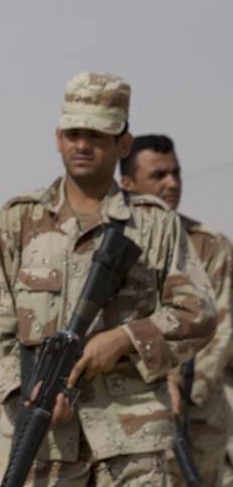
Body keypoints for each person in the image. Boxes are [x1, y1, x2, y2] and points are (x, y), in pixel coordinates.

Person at [0, 72, 216, 486]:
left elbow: (199, 312)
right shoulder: (18, 220)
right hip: (45, 441)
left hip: (131, 441)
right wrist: (26, 393)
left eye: (96, 135)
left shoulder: (153, 223)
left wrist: (125, 340)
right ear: (57, 137)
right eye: (73, 133)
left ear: (123, 143)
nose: (81, 145)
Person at [120, 134, 233, 487]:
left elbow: (224, 328)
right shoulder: (112, 245)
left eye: (176, 173)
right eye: (158, 175)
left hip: (198, 424)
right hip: (130, 422)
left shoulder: (207, 243)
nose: (172, 183)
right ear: (128, 184)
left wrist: (184, 391)